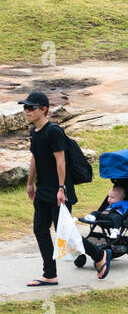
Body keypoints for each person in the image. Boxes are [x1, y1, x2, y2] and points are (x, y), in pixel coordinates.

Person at [22, 90, 78, 287]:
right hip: (43, 190)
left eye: (31, 108)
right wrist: (30, 183)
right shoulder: (34, 132)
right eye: (25, 107)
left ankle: (99, 256)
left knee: (65, 233)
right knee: (40, 230)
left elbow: (60, 161)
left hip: (58, 191)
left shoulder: (53, 131)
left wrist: (61, 188)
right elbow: (35, 157)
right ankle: (50, 274)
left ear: (44, 109)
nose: (26, 111)